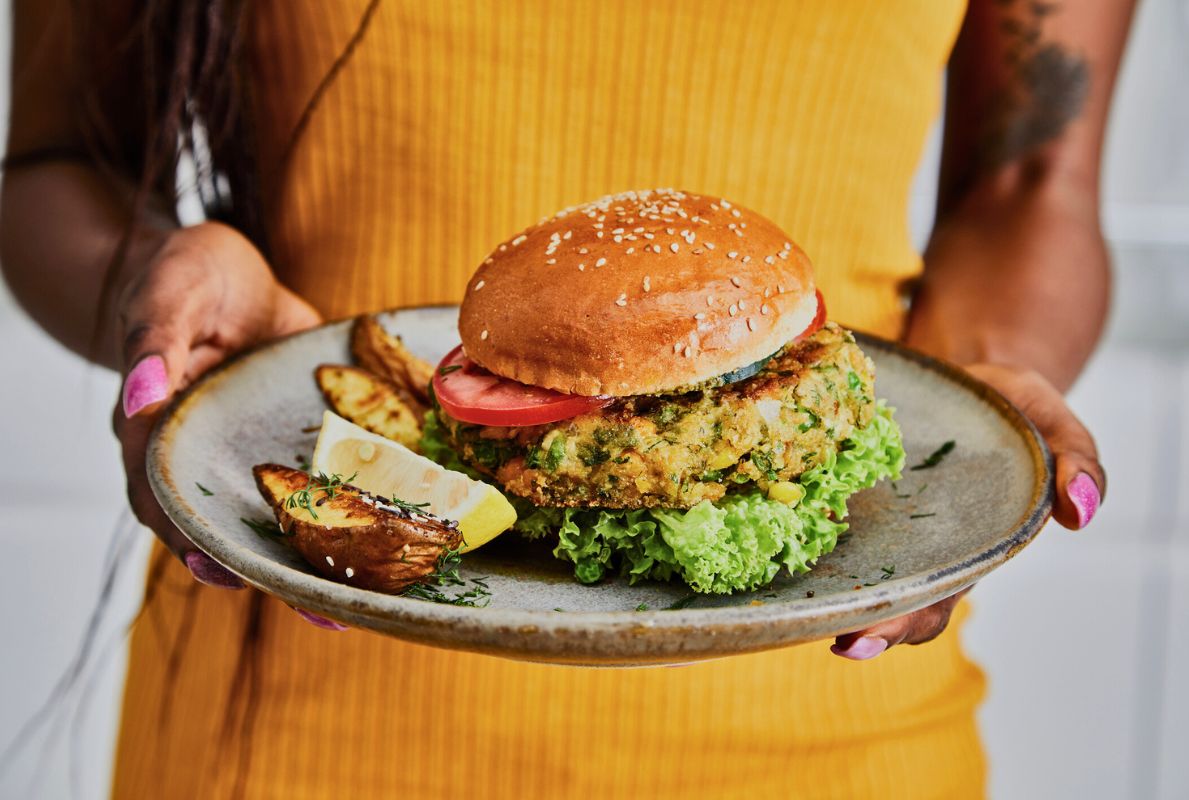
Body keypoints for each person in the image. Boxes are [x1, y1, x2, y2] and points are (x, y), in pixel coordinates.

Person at [2, 0, 1132, 796]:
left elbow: (1030, 180)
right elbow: (57, 158)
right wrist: (155, 288)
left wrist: (959, 418)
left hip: (842, 713)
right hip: (294, 699)